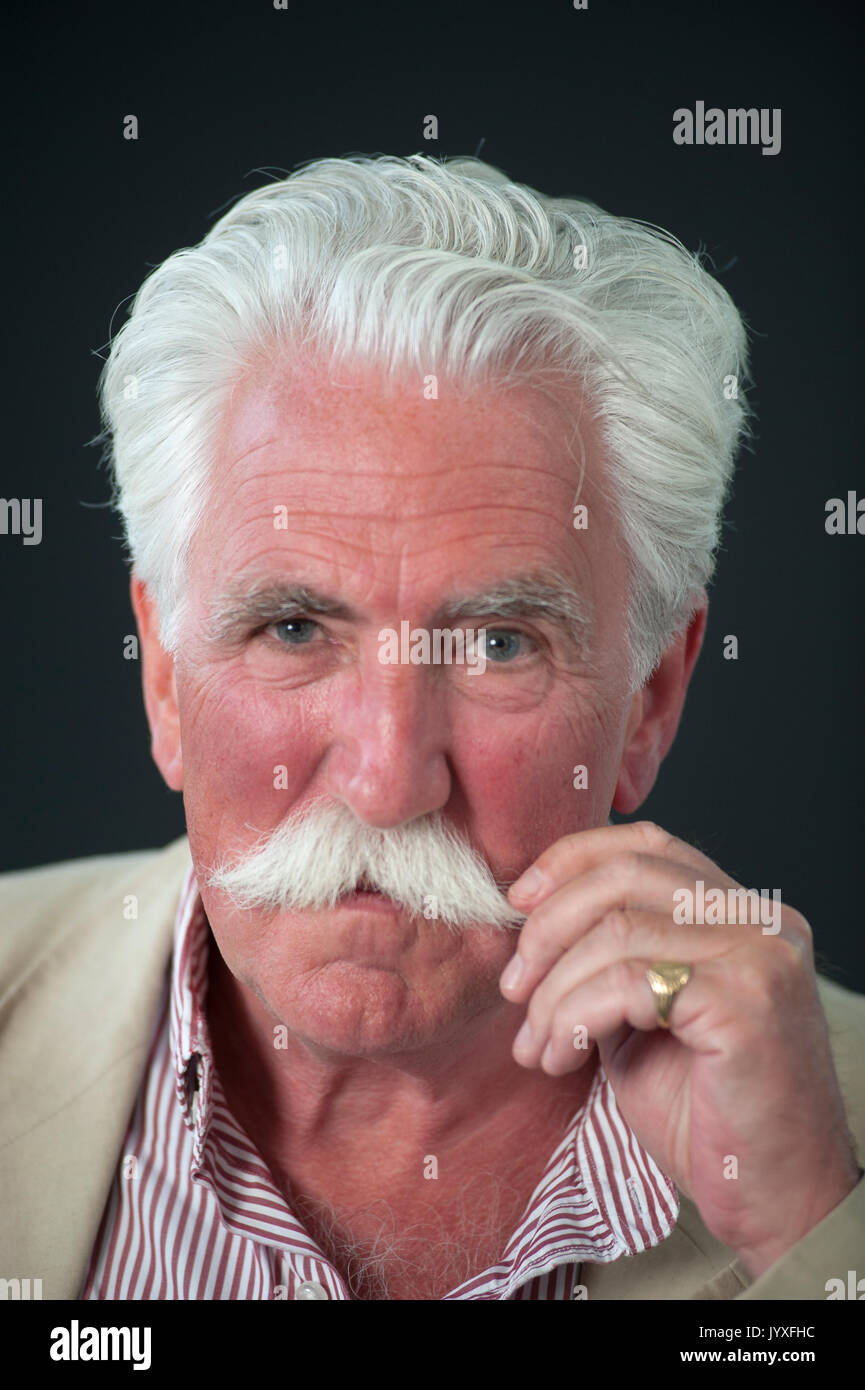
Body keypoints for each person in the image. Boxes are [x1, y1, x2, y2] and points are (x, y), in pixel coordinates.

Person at [1, 154, 862, 1301]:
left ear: (651, 699)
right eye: (296, 626)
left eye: (500, 643)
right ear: (164, 675)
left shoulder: (825, 1165)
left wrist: (809, 1237)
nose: (386, 778)